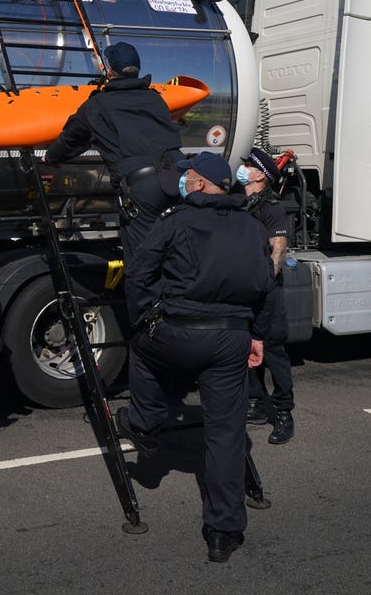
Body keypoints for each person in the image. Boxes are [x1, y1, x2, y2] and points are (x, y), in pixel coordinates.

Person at [117, 153, 275, 564]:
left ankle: (146, 423)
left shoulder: (175, 221)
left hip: (177, 333)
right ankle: (223, 533)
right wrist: (257, 335)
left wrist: (145, 315)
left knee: (142, 350)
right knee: (225, 436)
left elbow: (138, 274)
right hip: (230, 340)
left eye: (188, 176)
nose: (183, 181)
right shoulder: (252, 226)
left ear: (203, 184)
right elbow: (266, 288)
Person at [44, 41, 182, 262]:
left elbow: (72, 138)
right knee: (178, 252)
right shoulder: (156, 98)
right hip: (178, 176)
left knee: (144, 264)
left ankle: (151, 298)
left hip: (143, 187)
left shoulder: (98, 105)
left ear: (109, 70)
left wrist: (50, 157)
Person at [236, 147, 294, 445]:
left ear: (260, 175)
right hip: (245, 291)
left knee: (272, 351)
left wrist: (264, 285)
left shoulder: (271, 208)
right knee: (248, 349)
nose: (242, 167)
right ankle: (256, 403)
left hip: (266, 292)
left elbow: (279, 250)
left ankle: (284, 411)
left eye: (248, 165)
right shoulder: (241, 203)